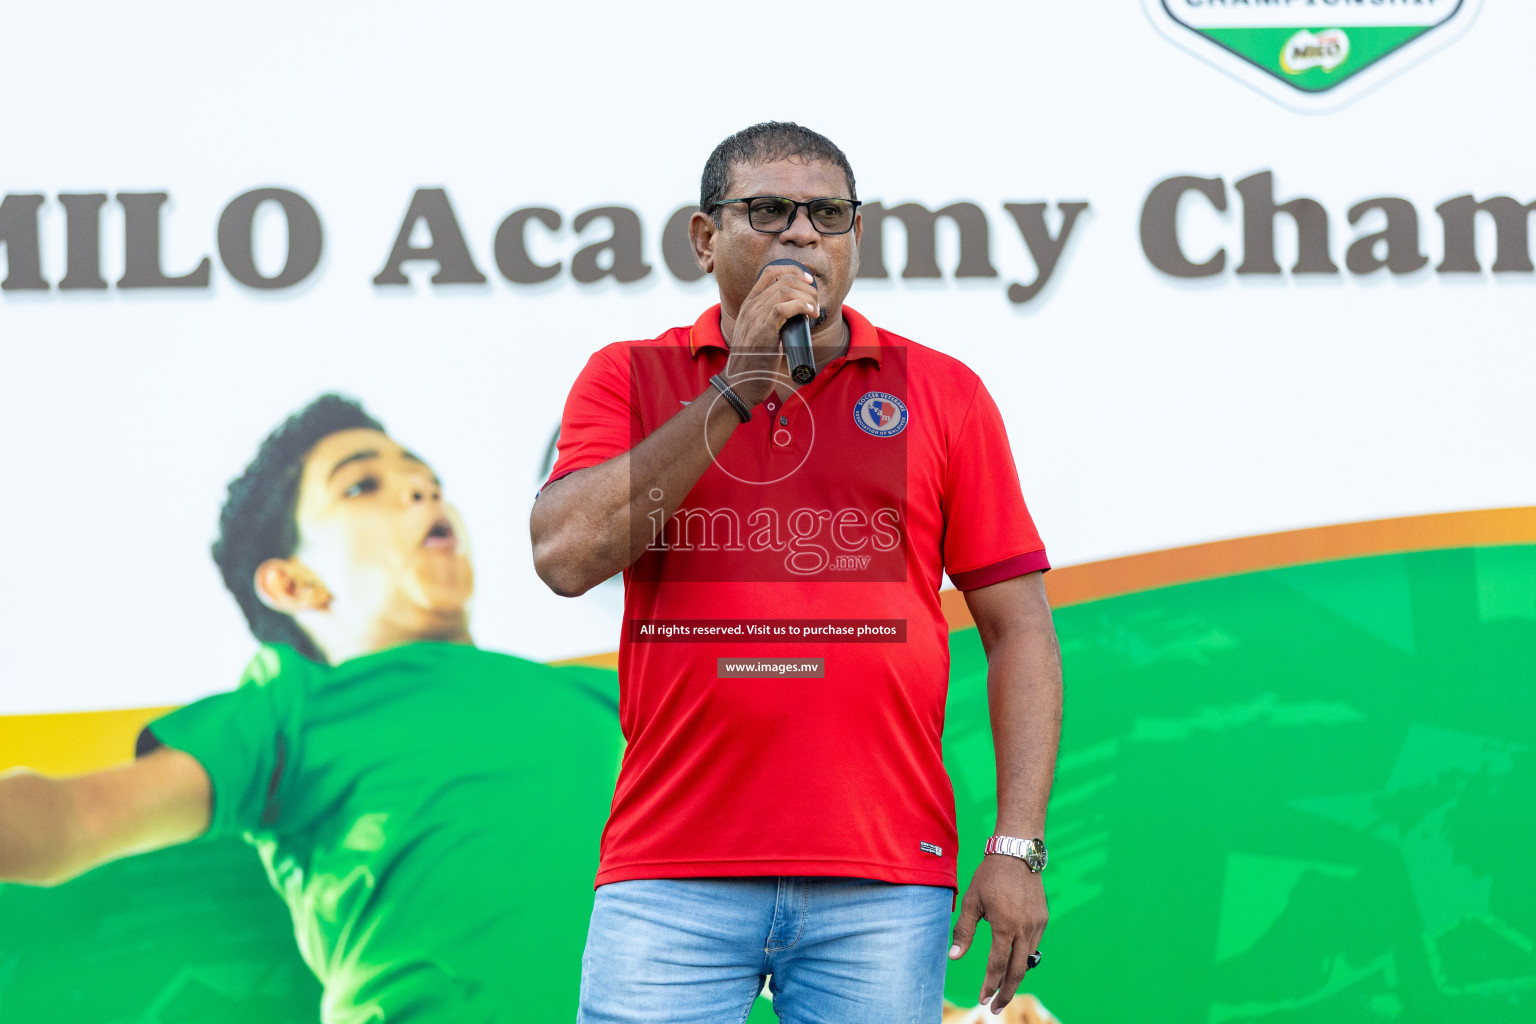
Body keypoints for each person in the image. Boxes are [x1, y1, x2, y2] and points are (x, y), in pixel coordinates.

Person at [531, 122, 1064, 1023]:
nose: (801, 234)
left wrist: (1016, 846)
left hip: (883, 880)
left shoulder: (941, 392)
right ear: (706, 238)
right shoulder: (630, 377)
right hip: (673, 869)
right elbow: (566, 558)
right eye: (768, 210)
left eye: (827, 214)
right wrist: (735, 387)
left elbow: (1021, 630)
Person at [0, 394, 623, 1024]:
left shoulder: (610, 698)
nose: (421, 492)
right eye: (361, 485)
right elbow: (72, 818)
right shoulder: (288, 711)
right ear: (292, 583)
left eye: (429, 482)